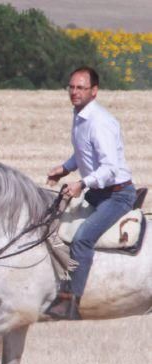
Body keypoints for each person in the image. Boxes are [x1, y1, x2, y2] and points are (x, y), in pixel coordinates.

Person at [46, 66, 136, 320]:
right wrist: (64, 169)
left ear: (94, 91)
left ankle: (72, 303)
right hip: (98, 194)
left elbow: (109, 168)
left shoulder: (100, 123)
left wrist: (81, 184)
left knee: (83, 238)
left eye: (81, 88)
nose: (74, 92)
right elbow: (84, 153)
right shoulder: (80, 115)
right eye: (71, 87)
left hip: (117, 195)